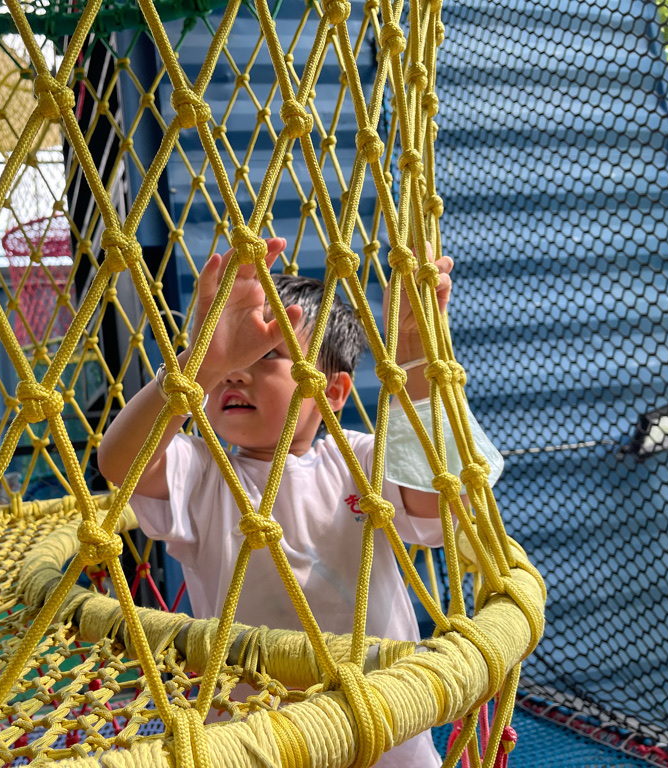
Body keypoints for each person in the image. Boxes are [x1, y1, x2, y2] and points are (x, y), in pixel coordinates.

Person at [97, 237, 453, 766]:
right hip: (257, 741)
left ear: (332, 392)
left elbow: (435, 504)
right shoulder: (206, 474)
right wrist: (198, 367)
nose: (236, 372)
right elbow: (120, 463)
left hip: (383, 733)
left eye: (267, 355)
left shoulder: (358, 460)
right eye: (233, 356)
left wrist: (416, 358)